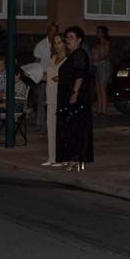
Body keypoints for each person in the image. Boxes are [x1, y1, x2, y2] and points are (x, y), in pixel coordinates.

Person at [56, 26, 94, 171]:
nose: (68, 40)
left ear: (79, 40)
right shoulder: (71, 55)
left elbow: (80, 75)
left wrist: (74, 92)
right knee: (69, 128)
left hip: (76, 97)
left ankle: (76, 159)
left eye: (71, 38)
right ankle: (71, 157)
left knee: (75, 128)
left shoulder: (79, 54)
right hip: (68, 95)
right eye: (67, 37)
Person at [41, 33, 66, 166]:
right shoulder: (53, 58)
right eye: (55, 43)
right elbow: (47, 76)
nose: (56, 45)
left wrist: (61, 78)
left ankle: (61, 158)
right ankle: (52, 157)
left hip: (61, 96)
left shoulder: (67, 59)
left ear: (64, 44)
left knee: (60, 128)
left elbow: (70, 77)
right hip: (50, 95)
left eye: (59, 42)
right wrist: (36, 75)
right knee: (50, 127)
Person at [32, 22, 59, 131]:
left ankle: (53, 125)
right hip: (44, 78)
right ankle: (40, 126)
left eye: (56, 31)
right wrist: (38, 76)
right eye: (52, 30)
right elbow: (36, 63)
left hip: (56, 77)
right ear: (48, 31)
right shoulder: (41, 45)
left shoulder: (59, 44)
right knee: (42, 103)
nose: (54, 33)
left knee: (54, 103)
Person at [91, 25, 112, 117]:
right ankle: (99, 109)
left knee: (102, 89)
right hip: (98, 66)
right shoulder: (97, 43)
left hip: (104, 66)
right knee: (98, 88)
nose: (97, 33)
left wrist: (97, 59)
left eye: (99, 32)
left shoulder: (106, 42)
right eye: (97, 32)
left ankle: (104, 110)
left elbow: (106, 55)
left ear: (103, 33)